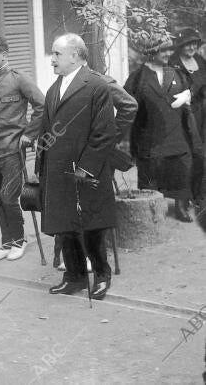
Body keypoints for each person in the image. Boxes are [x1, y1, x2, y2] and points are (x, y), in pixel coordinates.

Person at [37, 33, 116, 300]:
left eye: (57, 54)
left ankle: (102, 276)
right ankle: (75, 277)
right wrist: (41, 165)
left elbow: (104, 133)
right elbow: (46, 130)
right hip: (58, 170)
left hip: (85, 171)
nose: (52, 60)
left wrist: (85, 168)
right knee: (65, 226)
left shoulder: (96, 86)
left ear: (74, 55)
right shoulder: (53, 89)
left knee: (92, 225)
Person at [53, 73, 137, 270]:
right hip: (71, 153)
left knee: (92, 205)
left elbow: (129, 105)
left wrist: (108, 137)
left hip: (96, 155)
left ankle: (92, 257)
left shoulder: (99, 81)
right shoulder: (62, 82)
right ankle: (74, 256)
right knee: (71, 204)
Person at [0, 35, 44, 262]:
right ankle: (6, 243)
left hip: (11, 149)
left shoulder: (19, 79)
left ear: (4, 55)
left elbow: (42, 107)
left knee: (8, 196)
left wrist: (28, 134)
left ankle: (19, 240)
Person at [125, 36, 198, 222]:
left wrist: (188, 94)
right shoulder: (137, 77)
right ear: (152, 52)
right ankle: (152, 212)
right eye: (163, 50)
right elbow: (126, 103)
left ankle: (181, 206)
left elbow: (195, 88)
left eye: (169, 49)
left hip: (176, 134)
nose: (168, 53)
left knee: (181, 169)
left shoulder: (176, 73)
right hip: (150, 136)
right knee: (151, 174)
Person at [169, 28, 206, 207]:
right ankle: (183, 198)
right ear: (180, 45)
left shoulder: (199, 60)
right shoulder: (173, 63)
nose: (192, 47)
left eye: (194, 43)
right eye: (188, 43)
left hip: (201, 112)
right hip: (182, 114)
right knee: (186, 155)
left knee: (201, 154)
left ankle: (198, 194)